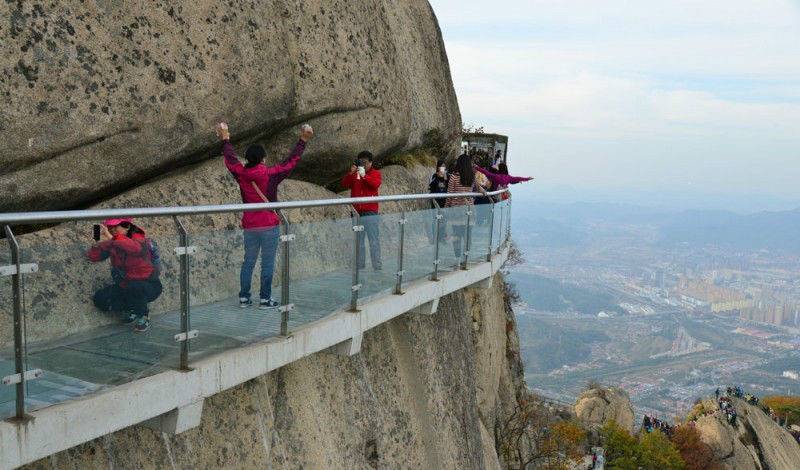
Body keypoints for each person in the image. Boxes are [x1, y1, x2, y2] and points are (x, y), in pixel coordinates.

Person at [216, 122, 314, 309]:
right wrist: (303, 140)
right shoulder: (270, 174)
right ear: (262, 159)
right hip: (269, 225)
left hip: (250, 225)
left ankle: (244, 298)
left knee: (249, 261)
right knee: (267, 263)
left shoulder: (241, 173)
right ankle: (264, 299)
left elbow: (230, 159)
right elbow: (290, 162)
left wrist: (225, 138)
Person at [87, 218, 162, 332]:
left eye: (115, 227)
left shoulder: (139, 240)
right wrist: (97, 243)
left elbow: (134, 248)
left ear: (127, 227)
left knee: (135, 286)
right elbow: (94, 257)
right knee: (100, 299)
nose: (111, 230)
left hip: (148, 286)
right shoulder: (114, 242)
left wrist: (112, 239)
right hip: (126, 286)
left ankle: (143, 316)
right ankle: (133, 308)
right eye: (109, 228)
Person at [342, 151, 382, 270]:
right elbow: (344, 184)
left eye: (365, 162)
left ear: (371, 162)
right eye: (361, 162)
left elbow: (375, 184)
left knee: (373, 240)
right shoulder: (355, 174)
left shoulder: (375, 173)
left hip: (370, 212)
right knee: (359, 242)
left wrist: (365, 176)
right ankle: (360, 267)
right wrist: (351, 172)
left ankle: (377, 267)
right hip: (356, 212)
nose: (363, 165)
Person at [446, 153, 486, 262]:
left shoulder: (454, 177)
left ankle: (458, 259)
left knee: (457, 236)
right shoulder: (471, 177)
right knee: (468, 236)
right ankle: (466, 258)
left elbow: (449, 195)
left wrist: (445, 209)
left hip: (456, 210)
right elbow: (481, 190)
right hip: (469, 210)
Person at [428, 160, 449, 243]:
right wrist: (438, 176)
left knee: (444, 220)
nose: (443, 168)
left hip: (444, 200)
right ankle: (435, 237)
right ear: (438, 167)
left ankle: (442, 237)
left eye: (444, 166)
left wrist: (445, 178)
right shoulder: (434, 176)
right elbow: (431, 185)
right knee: (435, 219)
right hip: (436, 201)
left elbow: (448, 186)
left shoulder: (446, 176)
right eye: (441, 166)